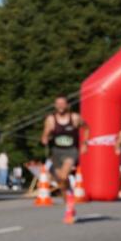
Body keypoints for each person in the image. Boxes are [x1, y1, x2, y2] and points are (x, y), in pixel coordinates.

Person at [40, 96, 90, 224]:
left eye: (63, 103)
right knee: (61, 183)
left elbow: (86, 128)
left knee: (63, 175)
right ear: (55, 106)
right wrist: (46, 137)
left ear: (67, 105)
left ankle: (69, 206)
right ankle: (69, 201)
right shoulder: (51, 119)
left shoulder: (74, 118)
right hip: (56, 152)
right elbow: (45, 133)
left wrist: (84, 143)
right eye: (58, 103)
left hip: (71, 151)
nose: (61, 106)